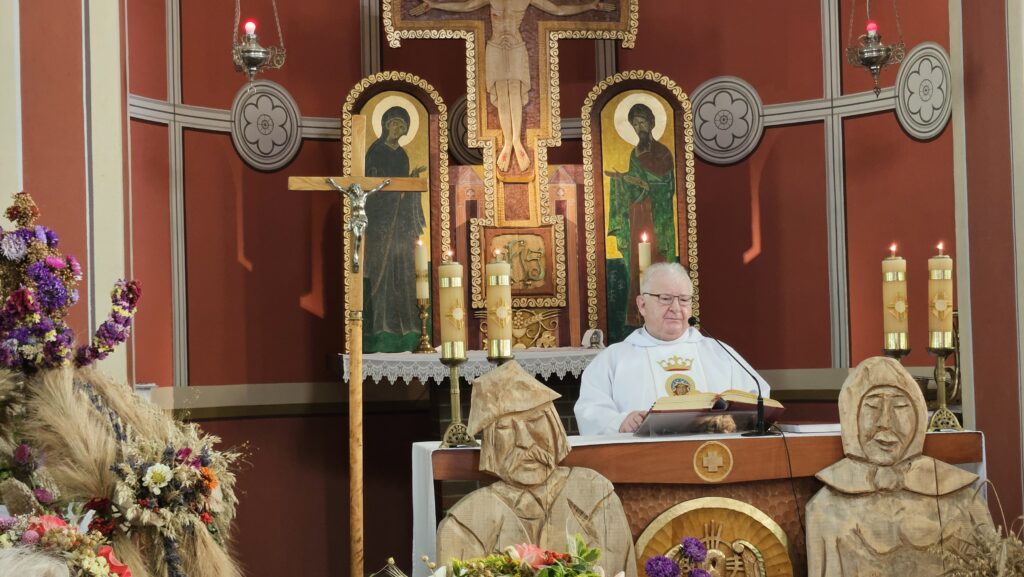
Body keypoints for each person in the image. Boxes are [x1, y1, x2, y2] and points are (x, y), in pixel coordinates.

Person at [437, 360, 636, 576]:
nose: (524, 441)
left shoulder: (595, 494)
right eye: (505, 428)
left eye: (534, 421)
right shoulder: (465, 522)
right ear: (489, 446)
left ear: (555, 427)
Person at [805, 356, 992, 576]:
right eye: (872, 406)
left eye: (900, 406)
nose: (885, 421)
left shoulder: (964, 501)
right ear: (851, 417)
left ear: (918, 416)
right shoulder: (824, 510)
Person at [409, 0, 615, 172]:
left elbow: (558, 10)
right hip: (495, 47)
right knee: (502, 94)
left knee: (514, 92)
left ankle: (516, 141)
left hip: (516, 47)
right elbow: (466, 6)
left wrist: (590, 6)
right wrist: (434, 5)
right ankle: (507, 143)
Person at [574, 262, 769, 435]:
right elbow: (590, 410)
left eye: (683, 299)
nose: (676, 308)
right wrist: (620, 422)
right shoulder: (613, 359)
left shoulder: (720, 354)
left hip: (711, 456)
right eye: (665, 298)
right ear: (642, 305)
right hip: (643, 460)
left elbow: (758, 399)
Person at [362, 106, 428, 353]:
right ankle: (377, 324)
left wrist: (412, 180)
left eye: (403, 126)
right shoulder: (375, 151)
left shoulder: (402, 155)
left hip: (397, 221)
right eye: (396, 124)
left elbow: (401, 187)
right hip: (378, 222)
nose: (399, 129)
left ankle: (399, 324)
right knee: (379, 271)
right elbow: (370, 185)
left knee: (399, 269)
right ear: (386, 125)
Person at [605, 102, 676, 329]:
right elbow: (633, 187)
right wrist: (623, 181)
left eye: (642, 122)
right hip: (639, 219)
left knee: (658, 260)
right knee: (638, 264)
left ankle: (664, 315)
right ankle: (638, 315)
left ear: (652, 123)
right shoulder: (634, 154)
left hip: (658, 219)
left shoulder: (663, 152)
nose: (639, 128)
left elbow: (668, 186)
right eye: (635, 124)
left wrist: (648, 185)